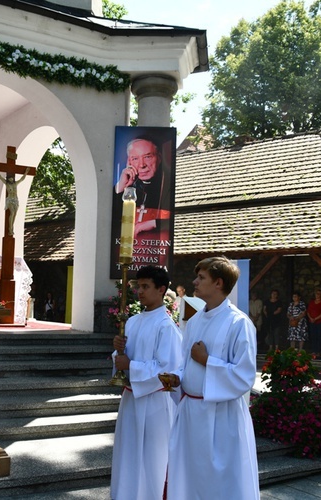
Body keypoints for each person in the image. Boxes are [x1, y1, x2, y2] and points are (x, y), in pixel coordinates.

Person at [160, 256, 259, 500]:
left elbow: (244, 376)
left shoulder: (239, 323)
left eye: (201, 277)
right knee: (190, 477)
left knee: (219, 484)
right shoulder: (193, 321)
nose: (194, 281)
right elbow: (185, 364)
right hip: (191, 413)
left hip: (221, 416)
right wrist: (177, 377)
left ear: (218, 283)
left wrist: (207, 361)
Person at [110, 265, 182, 500]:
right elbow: (124, 360)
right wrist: (118, 352)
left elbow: (167, 370)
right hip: (131, 398)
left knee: (152, 460)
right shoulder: (131, 322)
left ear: (161, 289)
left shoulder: (166, 327)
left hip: (154, 403)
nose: (139, 292)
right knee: (128, 454)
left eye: (145, 287)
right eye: (137, 286)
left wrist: (130, 365)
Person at [114, 137, 171, 236]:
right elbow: (110, 221)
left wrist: (153, 223)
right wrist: (122, 186)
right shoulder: (129, 186)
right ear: (129, 163)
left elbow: (180, 218)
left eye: (147, 157)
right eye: (135, 159)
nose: (142, 165)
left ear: (159, 158)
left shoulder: (168, 184)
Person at [0, 163, 30, 236]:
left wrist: (26, 172)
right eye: (10, 177)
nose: (11, 178)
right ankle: (10, 228)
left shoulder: (15, 184)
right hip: (10, 200)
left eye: (12, 177)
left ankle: (12, 228)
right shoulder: (6, 183)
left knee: (15, 214)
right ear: (8, 178)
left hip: (15, 200)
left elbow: (22, 179)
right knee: (12, 213)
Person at [306, 288, 321, 354]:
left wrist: (315, 319)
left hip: (320, 322)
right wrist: (311, 318)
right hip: (311, 321)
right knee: (313, 335)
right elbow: (308, 311)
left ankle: (319, 350)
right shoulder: (311, 302)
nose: (317, 295)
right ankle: (314, 350)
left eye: (319, 294)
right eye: (316, 293)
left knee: (319, 336)